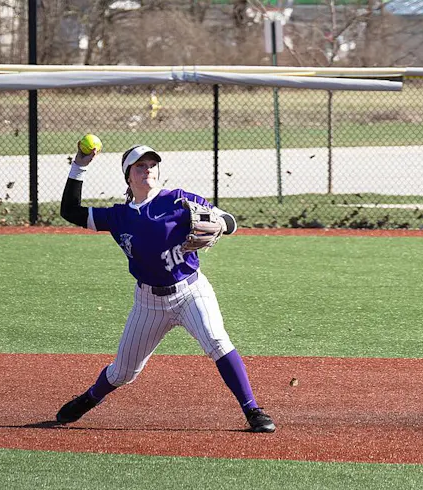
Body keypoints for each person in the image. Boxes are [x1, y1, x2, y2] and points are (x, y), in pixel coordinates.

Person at [52, 141, 276, 434]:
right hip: (148, 302)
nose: (148, 170)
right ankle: (90, 397)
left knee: (217, 341)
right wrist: (79, 165)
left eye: (152, 165)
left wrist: (220, 223)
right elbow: (69, 211)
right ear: (128, 176)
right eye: (140, 166)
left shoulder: (180, 201)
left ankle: (253, 410)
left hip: (190, 291)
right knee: (122, 373)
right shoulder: (118, 216)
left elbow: (230, 221)